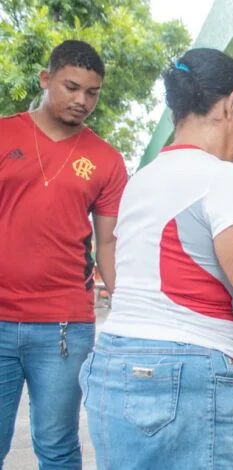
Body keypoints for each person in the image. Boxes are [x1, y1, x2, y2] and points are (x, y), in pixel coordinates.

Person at [79, 48, 233, 469]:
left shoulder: (143, 179)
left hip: (114, 367)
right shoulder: (222, 178)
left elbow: (182, 251)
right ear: (231, 104)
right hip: (186, 376)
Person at [0, 40, 127, 469]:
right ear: (45, 79)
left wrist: (125, 306)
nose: (82, 101)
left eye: (92, 92)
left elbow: (107, 242)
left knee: (57, 446)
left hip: (64, 325)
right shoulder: (4, 134)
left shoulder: (107, 160)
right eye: (72, 87)